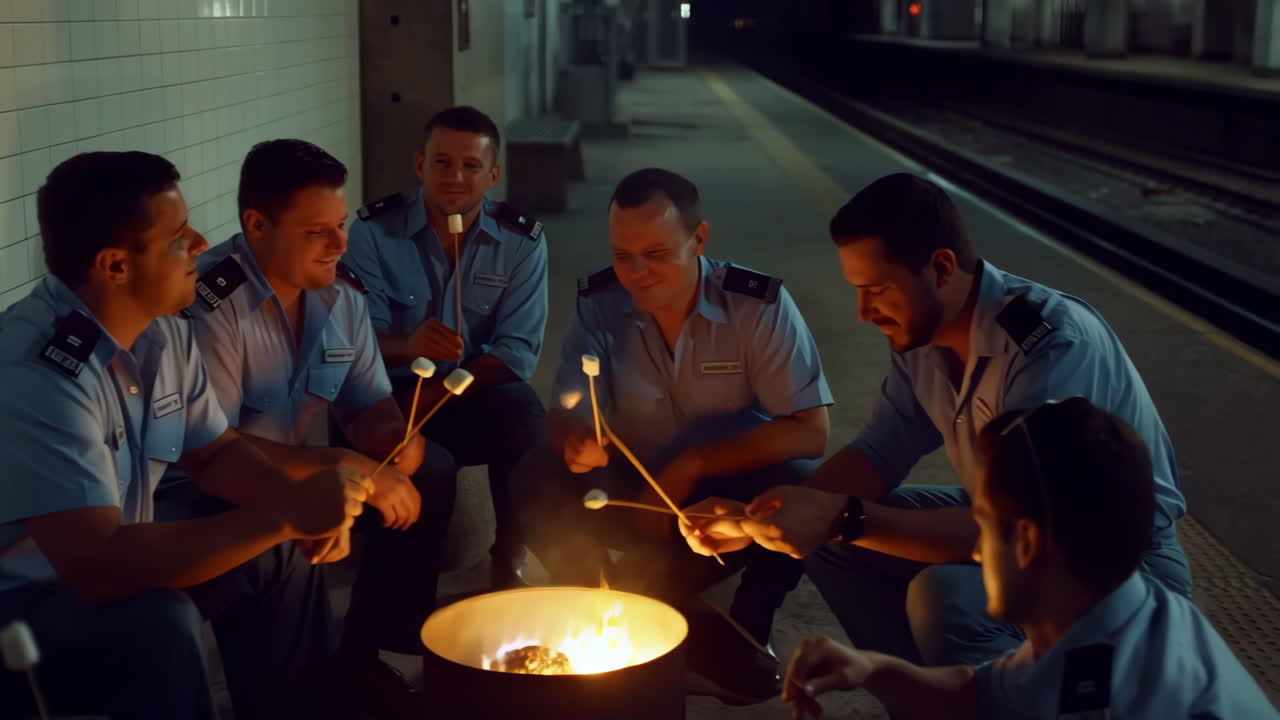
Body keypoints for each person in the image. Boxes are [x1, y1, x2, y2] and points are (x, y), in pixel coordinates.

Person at [681, 173, 1190, 668]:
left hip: (1117, 565)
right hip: (1008, 525)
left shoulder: (1050, 347)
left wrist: (841, 517)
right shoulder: (922, 338)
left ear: (941, 268)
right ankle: (920, 695)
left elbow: (1025, 530)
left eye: (877, 288)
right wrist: (758, 519)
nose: (863, 312)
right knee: (831, 540)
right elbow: (879, 454)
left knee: (943, 595)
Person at [0, 152, 369, 720]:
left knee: (276, 554)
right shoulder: (41, 375)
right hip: (22, 607)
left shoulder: (163, 333)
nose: (200, 242)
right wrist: (286, 514)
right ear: (115, 265)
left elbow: (215, 454)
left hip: (105, 557)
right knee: (157, 622)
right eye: (177, 237)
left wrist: (293, 507)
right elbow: (97, 566)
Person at [519, 167, 833, 703]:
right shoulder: (600, 303)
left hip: (722, 499)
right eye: (623, 255)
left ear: (700, 239)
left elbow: (811, 433)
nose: (636, 273)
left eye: (657, 254)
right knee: (536, 473)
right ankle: (595, 599)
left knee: (804, 487)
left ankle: (747, 624)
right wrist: (574, 438)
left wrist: (691, 465)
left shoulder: (756, 306)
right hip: (633, 491)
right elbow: (563, 408)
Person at [780, 398, 1277, 720]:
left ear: (1029, 542)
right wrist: (870, 669)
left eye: (984, 527)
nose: (975, 549)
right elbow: (981, 693)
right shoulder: (1124, 611)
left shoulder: (1110, 700)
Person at [182, 139, 458, 715]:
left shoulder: (340, 294)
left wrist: (389, 437)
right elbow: (211, 453)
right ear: (257, 224)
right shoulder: (211, 304)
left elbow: (366, 403)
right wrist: (345, 469)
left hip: (289, 472)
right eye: (317, 232)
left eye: (339, 225)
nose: (340, 244)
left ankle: (371, 650)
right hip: (200, 494)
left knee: (425, 471)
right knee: (292, 537)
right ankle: (290, 696)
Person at [344, 106, 548, 588]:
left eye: (471, 166)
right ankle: (400, 607)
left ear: (493, 174)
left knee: (525, 414)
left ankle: (510, 556)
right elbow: (355, 341)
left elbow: (516, 351)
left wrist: (443, 392)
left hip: (471, 392)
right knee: (426, 468)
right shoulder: (373, 232)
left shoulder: (521, 243)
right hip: (388, 401)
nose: (455, 177)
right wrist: (407, 344)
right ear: (420, 165)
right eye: (442, 163)